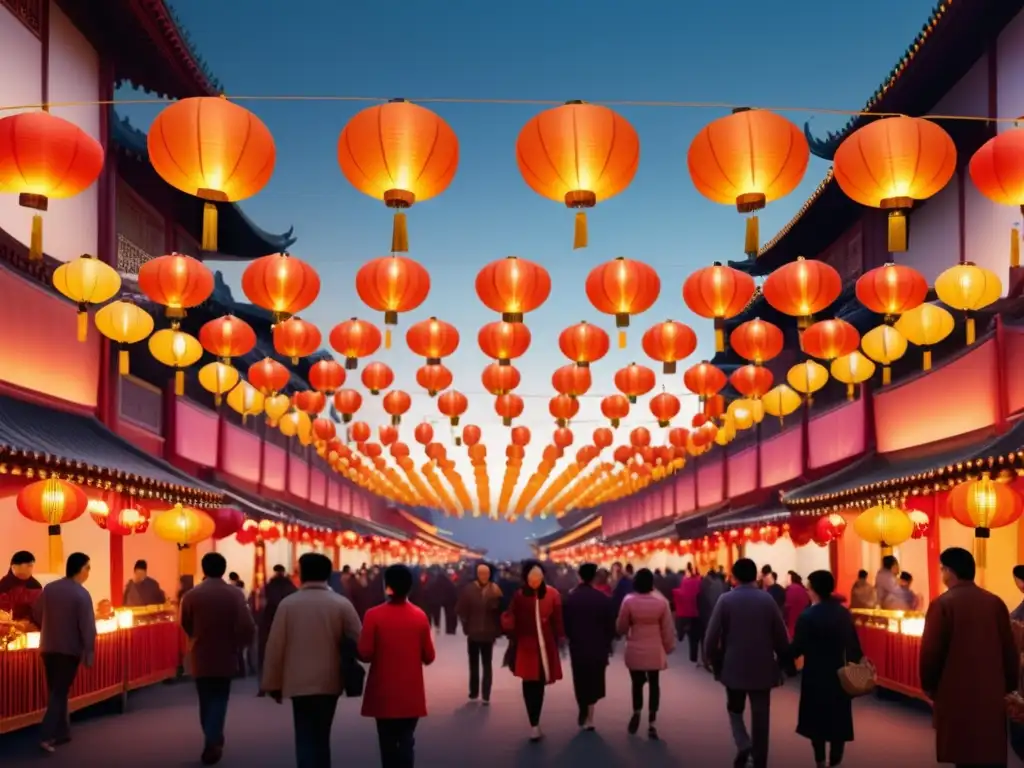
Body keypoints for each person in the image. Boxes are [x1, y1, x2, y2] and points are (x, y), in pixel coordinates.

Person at [920, 547, 1018, 767]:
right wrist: (1009, 685)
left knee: (963, 753)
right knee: (988, 749)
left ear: (949, 570)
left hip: (956, 691)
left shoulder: (942, 604)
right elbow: (1009, 649)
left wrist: (929, 686)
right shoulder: (995, 603)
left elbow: (931, 652)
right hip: (992, 691)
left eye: (942, 569)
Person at [262, 552, 362, 768]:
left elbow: (275, 646)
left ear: (302, 574)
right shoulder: (341, 604)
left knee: (304, 735)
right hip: (329, 680)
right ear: (328, 574)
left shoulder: (288, 605)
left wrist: (272, 683)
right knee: (322, 735)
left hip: (297, 681)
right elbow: (360, 641)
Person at [704, 558, 790, 768]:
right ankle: (760, 759)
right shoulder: (767, 600)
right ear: (755, 576)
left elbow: (712, 635)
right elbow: (780, 635)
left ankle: (743, 742)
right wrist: (784, 661)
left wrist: (709, 657)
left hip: (733, 665)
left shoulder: (726, 600)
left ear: (734, 577)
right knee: (761, 715)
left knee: (735, 708)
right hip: (762, 665)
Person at [180, 552, 256, 766]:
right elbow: (247, 625)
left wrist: (195, 637)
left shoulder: (191, 595)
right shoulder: (234, 595)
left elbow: (185, 623)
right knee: (220, 697)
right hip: (226, 651)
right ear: (223, 569)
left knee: (205, 698)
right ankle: (213, 737)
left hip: (200, 653)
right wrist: (241, 644)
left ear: (204, 569)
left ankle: (211, 738)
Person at [359, 565, 436, 768]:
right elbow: (429, 656)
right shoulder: (419, 616)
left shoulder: (372, 616)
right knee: (406, 741)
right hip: (411, 692)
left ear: (387, 586)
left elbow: (365, 653)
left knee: (387, 743)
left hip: (383, 691)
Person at [789, 570, 863, 768]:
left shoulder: (807, 616)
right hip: (840, 674)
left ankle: (820, 761)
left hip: (815, 674)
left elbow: (797, 648)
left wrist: (784, 660)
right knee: (838, 721)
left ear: (813, 590)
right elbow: (854, 647)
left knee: (817, 724)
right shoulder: (843, 613)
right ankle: (835, 761)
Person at [32, 552, 95, 753]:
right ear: (81, 569)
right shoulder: (81, 594)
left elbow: (37, 612)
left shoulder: (50, 589)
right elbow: (87, 627)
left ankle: (62, 731)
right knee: (59, 692)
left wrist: (50, 627)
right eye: (88, 568)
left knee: (56, 690)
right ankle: (46, 736)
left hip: (48, 647)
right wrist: (89, 652)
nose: (89, 573)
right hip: (68, 650)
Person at [501, 560, 565, 742]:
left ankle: (534, 724)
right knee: (538, 684)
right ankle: (535, 723)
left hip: (525, 646)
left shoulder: (519, 596)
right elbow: (558, 622)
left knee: (529, 683)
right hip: (544, 646)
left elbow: (510, 620)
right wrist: (561, 639)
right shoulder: (553, 594)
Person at [616, 568, 675, 740]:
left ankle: (636, 711)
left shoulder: (628, 601)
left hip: (635, 646)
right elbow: (667, 628)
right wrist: (668, 646)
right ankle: (652, 722)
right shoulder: (661, 603)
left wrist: (624, 632)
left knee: (636, 683)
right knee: (654, 684)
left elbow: (622, 626)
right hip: (654, 647)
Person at [562, 562, 615, 730]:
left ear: (579, 576)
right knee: (595, 679)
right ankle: (590, 716)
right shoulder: (603, 599)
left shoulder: (571, 598)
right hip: (598, 646)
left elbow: (566, 623)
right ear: (594, 577)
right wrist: (609, 643)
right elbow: (610, 626)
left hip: (578, 645)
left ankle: (583, 708)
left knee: (580, 679)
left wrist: (569, 638)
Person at [455, 561, 502, 704]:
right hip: (473, 633)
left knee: (487, 664)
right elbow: (461, 609)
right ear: (477, 574)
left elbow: (501, 611)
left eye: (486, 573)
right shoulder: (468, 590)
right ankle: (474, 692)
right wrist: (465, 625)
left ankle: (486, 694)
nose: (484, 576)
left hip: (488, 633)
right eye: (481, 573)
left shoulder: (495, 590)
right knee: (474, 664)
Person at [258, 564, 298, 682]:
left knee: (269, 651)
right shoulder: (291, 587)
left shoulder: (268, 586)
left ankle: (267, 680)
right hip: (287, 621)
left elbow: (263, 604)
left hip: (270, 620)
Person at [0, 550, 42, 625]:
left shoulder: (35, 586)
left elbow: (40, 611)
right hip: (7, 626)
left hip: (30, 627)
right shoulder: (3, 586)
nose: (30, 569)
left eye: (32, 566)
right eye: (28, 566)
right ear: (14, 567)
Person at [672, 566, 702, 663]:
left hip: (685, 612)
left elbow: (680, 592)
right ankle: (696, 656)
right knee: (695, 635)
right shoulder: (699, 582)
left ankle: (681, 635)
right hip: (697, 612)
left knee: (689, 633)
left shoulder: (685, 581)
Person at [784, 571, 810, 638]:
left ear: (790, 578)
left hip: (792, 629)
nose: (785, 580)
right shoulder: (804, 590)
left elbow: (785, 609)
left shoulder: (790, 590)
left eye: (786, 578)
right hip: (804, 628)